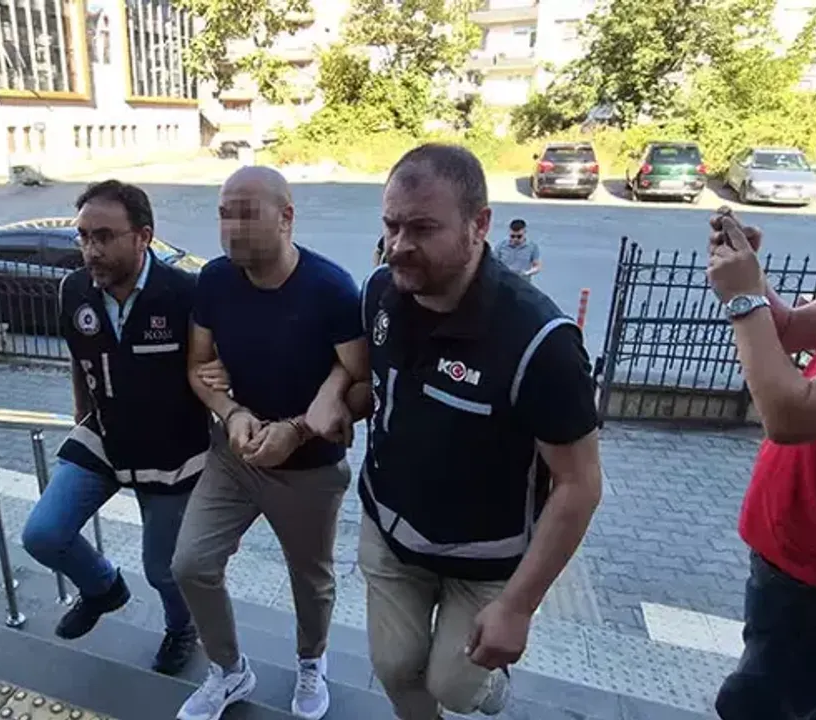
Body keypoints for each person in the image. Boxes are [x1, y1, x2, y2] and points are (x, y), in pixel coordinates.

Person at [348, 144, 603, 719]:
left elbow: (580, 484)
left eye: (422, 228)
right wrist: (329, 404)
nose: (399, 245)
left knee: (456, 687)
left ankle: (489, 691)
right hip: (389, 533)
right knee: (394, 666)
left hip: (487, 559)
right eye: (391, 225)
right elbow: (366, 377)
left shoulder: (541, 342)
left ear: (479, 225)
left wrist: (518, 607)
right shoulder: (380, 291)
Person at [171, 165, 368, 720]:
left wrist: (297, 430)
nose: (231, 227)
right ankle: (230, 670)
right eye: (223, 213)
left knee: (311, 579)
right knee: (190, 564)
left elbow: (364, 388)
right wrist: (231, 412)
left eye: (246, 213)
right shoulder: (214, 280)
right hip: (233, 457)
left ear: (286, 218)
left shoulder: (330, 289)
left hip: (310, 469)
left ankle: (312, 661)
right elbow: (198, 368)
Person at [707, 124, 816, 719]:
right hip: (796, 562)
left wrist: (742, 300)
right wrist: (751, 277)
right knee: (791, 696)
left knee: (756, 703)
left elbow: (788, 414)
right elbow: (787, 330)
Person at [19, 180, 207, 675]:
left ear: (143, 236)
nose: (91, 250)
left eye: (104, 237)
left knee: (163, 568)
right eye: (83, 236)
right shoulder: (74, 289)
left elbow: (212, 372)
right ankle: (103, 588)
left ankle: (181, 627)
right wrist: (81, 414)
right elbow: (78, 356)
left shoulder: (184, 294)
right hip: (105, 435)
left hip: (173, 452)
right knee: (43, 533)